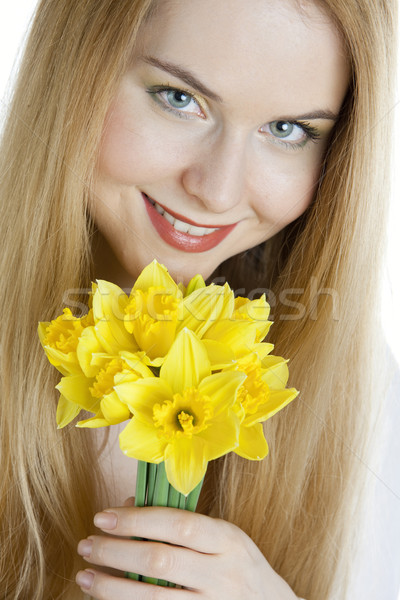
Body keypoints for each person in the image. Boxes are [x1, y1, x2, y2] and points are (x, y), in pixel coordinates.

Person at [0, 0, 398, 599]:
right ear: (76, 70)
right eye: (179, 98)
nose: (217, 191)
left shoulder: (370, 397)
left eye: (288, 129)